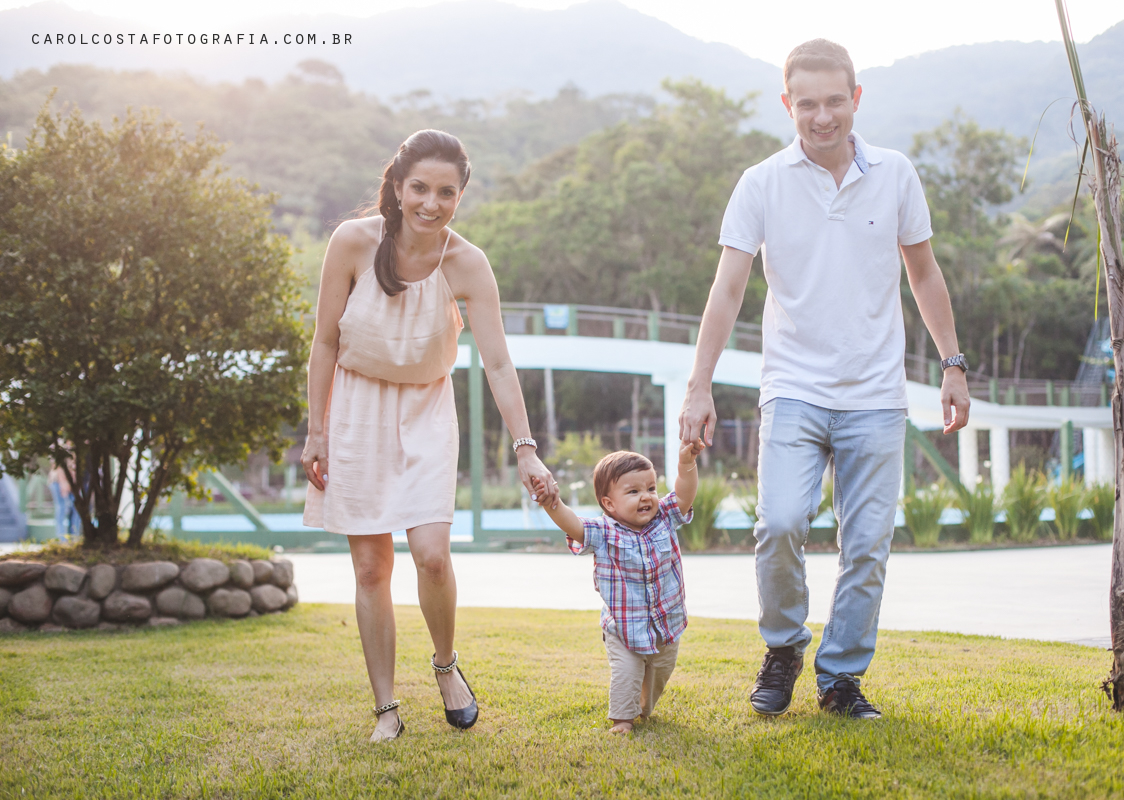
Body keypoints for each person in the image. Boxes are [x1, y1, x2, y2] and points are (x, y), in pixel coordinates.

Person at [678, 39, 970, 720]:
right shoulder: (761, 183)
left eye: (834, 101)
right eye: (806, 104)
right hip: (793, 389)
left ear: (856, 99)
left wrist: (952, 365)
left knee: (866, 546)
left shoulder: (895, 173)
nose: (821, 116)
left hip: (876, 397)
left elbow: (923, 274)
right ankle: (783, 648)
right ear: (788, 104)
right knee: (779, 523)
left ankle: (841, 679)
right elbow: (726, 292)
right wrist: (699, 385)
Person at [301, 129, 560, 742]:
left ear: (460, 196)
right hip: (356, 408)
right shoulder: (353, 243)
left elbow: (497, 362)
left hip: (426, 407)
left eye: (447, 192)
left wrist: (525, 449)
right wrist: (316, 430)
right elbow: (325, 341)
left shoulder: (467, 263)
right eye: (419, 188)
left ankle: (446, 666)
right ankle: (386, 708)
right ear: (396, 186)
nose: (431, 203)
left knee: (432, 555)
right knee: (370, 567)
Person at [531, 442, 701, 734]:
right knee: (627, 673)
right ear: (609, 504)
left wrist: (687, 464)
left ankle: (643, 707)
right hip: (623, 628)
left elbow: (684, 495)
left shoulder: (664, 518)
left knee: (658, 675)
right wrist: (551, 503)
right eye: (633, 492)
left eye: (650, 488)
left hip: (667, 625)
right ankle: (622, 720)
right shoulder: (603, 532)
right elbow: (572, 525)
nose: (646, 496)